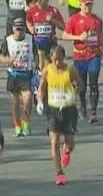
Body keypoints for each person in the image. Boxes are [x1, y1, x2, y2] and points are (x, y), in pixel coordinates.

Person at [38, 45, 83, 186]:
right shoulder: (47, 70)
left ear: (64, 58)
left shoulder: (70, 70)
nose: (57, 63)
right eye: (55, 59)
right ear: (51, 57)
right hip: (53, 110)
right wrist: (40, 101)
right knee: (54, 141)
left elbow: (81, 85)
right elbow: (42, 86)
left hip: (69, 109)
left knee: (70, 141)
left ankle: (67, 150)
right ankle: (59, 173)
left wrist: (75, 89)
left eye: (60, 59)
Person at [62, 0, 103, 124]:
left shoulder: (97, 19)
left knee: (93, 83)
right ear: (80, 4)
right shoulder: (74, 19)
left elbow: (100, 34)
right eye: (85, 5)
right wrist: (78, 37)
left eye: (90, 4)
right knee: (81, 85)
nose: (87, 7)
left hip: (94, 55)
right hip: (79, 56)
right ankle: (83, 106)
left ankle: (93, 112)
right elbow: (64, 35)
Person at [0, 18, 40, 137]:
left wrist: (38, 67)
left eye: (21, 29)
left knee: (27, 100)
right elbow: (1, 57)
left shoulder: (30, 39)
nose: (19, 32)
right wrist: (8, 60)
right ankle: (17, 124)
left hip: (27, 74)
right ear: (13, 29)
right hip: (14, 75)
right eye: (17, 30)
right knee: (15, 103)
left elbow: (37, 55)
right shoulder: (8, 41)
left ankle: (26, 122)